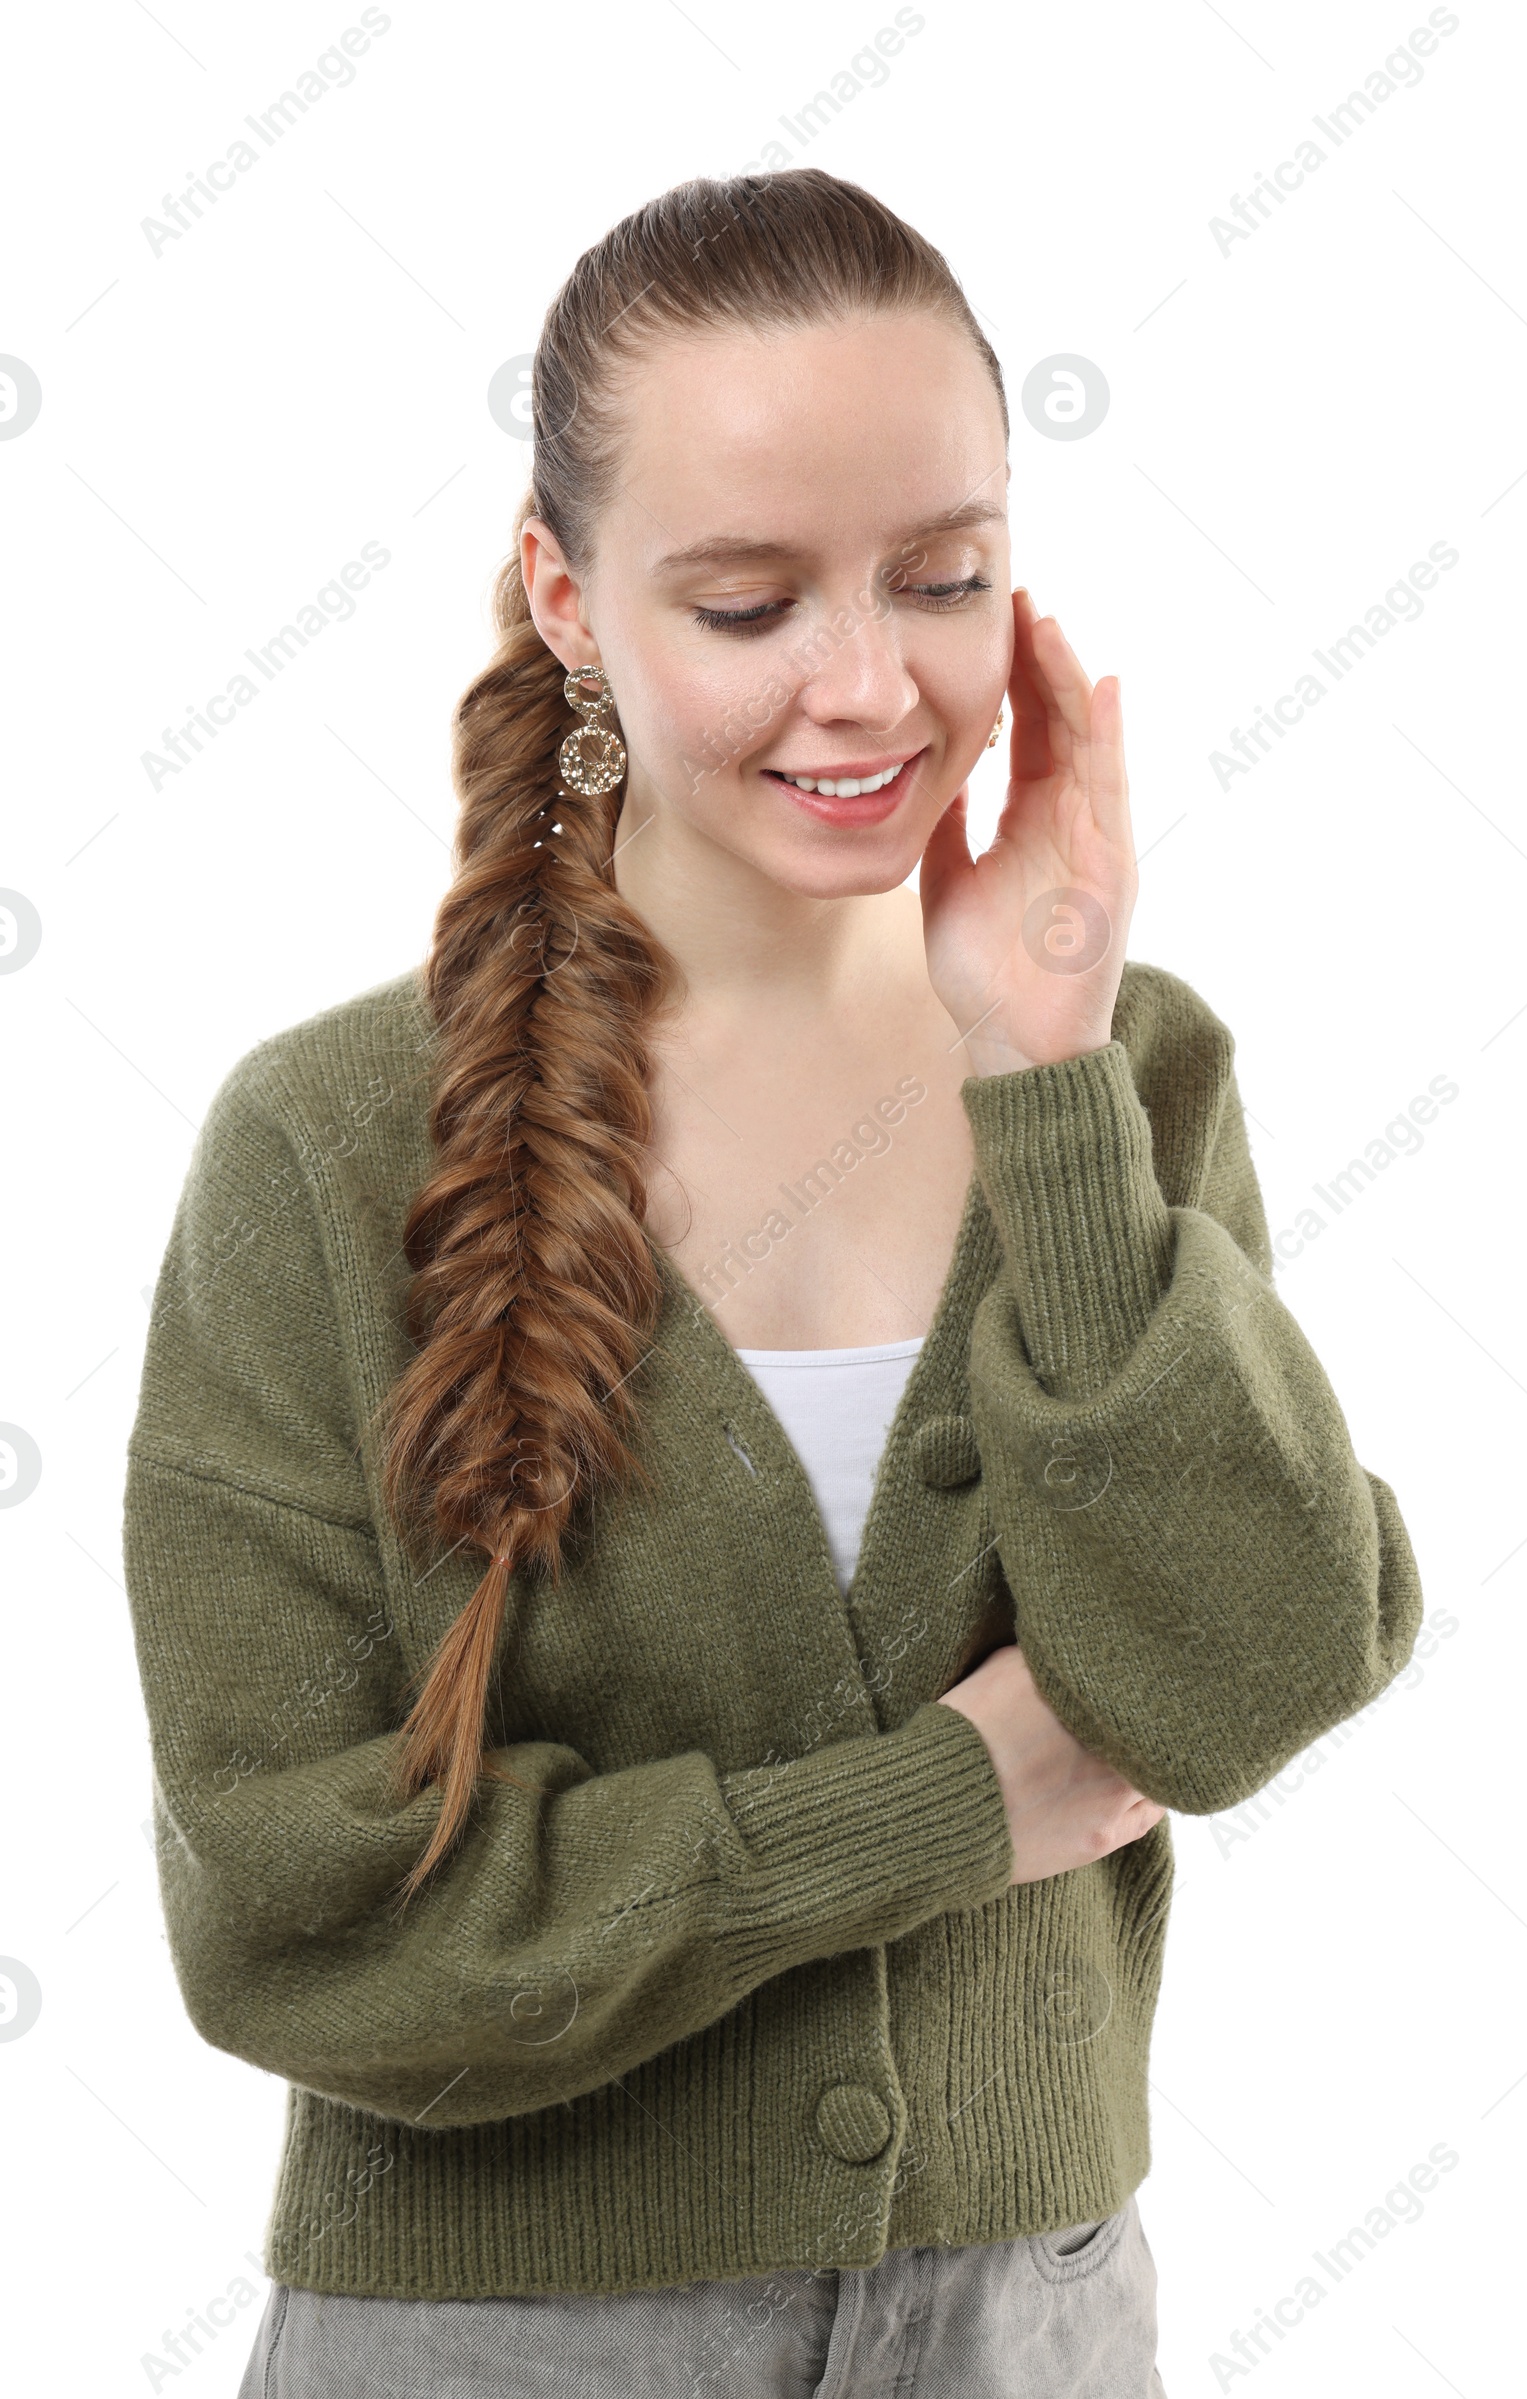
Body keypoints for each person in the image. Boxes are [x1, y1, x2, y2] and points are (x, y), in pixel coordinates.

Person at [123, 170, 1424, 2398]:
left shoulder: (1117, 1071)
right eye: (744, 605)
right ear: (564, 597)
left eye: (943, 577)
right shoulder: (327, 1153)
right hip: (497, 2342)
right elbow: (295, 1915)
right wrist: (936, 1802)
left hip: (1036, 2318)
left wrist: (1042, 1085)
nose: (866, 682)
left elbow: (1239, 1680)